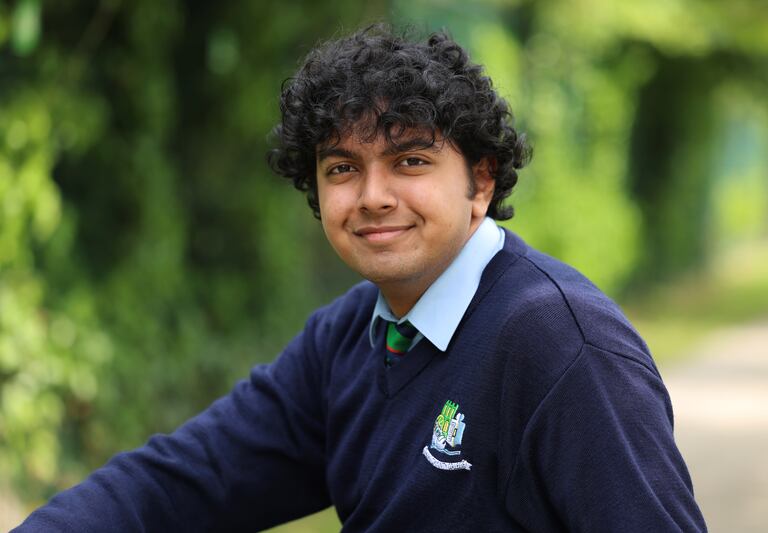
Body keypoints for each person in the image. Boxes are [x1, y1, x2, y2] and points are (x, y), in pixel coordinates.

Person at [15, 26, 707, 532]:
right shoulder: (351, 336)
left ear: (480, 181)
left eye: (409, 161)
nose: (372, 195)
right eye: (342, 167)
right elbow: (188, 479)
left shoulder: (559, 343)